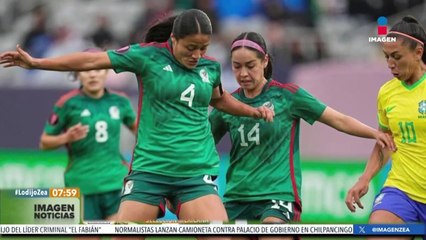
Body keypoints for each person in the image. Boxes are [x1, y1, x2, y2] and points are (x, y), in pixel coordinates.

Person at [0, 9, 274, 240]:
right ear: (174, 39)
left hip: (195, 174)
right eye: (191, 48)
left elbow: (220, 100)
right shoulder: (147, 56)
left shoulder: (210, 68)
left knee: (219, 235)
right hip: (149, 172)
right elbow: (92, 59)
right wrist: (37, 63)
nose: (197, 55)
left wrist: (252, 112)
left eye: (203, 48)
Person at [209, 32, 395, 240]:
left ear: (265, 61)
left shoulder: (288, 96)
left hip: (277, 196)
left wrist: (373, 133)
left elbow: (338, 119)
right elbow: (202, 143)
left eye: (250, 65)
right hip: (236, 197)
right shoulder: (227, 105)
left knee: (273, 234)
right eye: (237, 66)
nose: (243, 73)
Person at [39, 48, 137, 240]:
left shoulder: (120, 101)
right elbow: (44, 143)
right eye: (86, 70)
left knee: (122, 237)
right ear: (77, 73)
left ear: (106, 71)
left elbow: (141, 135)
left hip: (115, 181)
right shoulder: (67, 104)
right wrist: (65, 138)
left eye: (98, 69)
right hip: (81, 184)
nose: (92, 74)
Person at [345, 16, 426, 240]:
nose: (390, 64)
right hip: (402, 191)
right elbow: (386, 141)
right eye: (387, 57)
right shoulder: (387, 93)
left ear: (418, 52)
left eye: (397, 56)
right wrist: (365, 178)